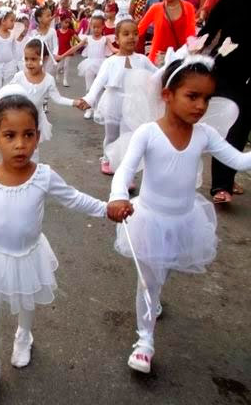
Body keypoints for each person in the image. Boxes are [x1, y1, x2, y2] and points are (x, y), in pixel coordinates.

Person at [0, 91, 107, 404]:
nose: (20, 144)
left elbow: (75, 198)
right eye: (10, 135)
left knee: (26, 300)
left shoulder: (44, 176)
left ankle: (24, 335)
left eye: (28, 135)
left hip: (29, 252)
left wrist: (107, 209)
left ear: (38, 137)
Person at [107, 57, 251, 374]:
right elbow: (125, 171)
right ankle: (144, 342)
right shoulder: (148, 133)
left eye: (206, 98)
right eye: (192, 96)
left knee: (165, 267)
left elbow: (239, 162)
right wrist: (118, 195)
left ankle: (155, 297)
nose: (200, 105)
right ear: (168, 94)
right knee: (147, 281)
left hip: (185, 219)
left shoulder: (205, 135)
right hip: (149, 218)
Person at [0, 39, 85, 161]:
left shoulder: (48, 80)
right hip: (19, 118)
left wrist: (75, 102)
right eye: (26, 59)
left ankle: (32, 171)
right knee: (16, 146)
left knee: (33, 149)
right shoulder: (20, 76)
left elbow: (58, 99)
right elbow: (6, 91)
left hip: (36, 121)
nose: (29, 63)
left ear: (44, 59)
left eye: (33, 59)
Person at [202, 0, 251, 203]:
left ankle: (228, 177)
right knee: (229, 127)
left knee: (241, 131)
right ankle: (221, 186)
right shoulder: (229, 0)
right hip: (226, 74)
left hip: (249, 80)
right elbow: (208, 30)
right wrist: (193, 52)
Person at [79, 20, 157, 175]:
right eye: (126, 34)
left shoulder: (142, 59)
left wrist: (171, 65)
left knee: (131, 136)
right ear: (117, 38)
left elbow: (157, 74)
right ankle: (107, 158)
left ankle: (126, 168)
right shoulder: (110, 62)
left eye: (135, 34)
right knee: (112, 135)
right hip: (113, 102)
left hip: (134, 103)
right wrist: (89, 99)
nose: (131, 37)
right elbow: (99, 82)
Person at [137, 0, 196, 64]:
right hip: (158, 57)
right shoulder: (156, 8)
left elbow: (191, 33)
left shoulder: (188, 7)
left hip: (179, 56)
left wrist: (193, 49)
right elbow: (140, 29)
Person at [69, 15, 115, 118]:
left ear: (103, 26)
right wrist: (62, 55)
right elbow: (75, 47)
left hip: (102, 65)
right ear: (90, 26)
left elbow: (113, 49)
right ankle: (89, 109)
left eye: (98, 27)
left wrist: (124, 52)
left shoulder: (105, 39)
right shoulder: (87, 39)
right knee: (89, 88)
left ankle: (98, 109)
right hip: (89, 65)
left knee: (100, 88)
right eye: (93, 27)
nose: (96, 29)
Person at [55, 13, 80, 87]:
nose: (67, 24)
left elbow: (77, 38)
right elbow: (54, 41)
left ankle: (65, 80)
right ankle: (57, 73)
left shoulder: (70, 31)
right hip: (60, 51)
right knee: (59, 66)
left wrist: (83, 42)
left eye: (68, 23)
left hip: (68, 50)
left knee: (66, 65)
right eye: (65, 22)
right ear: (61, 22)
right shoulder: (57, 32)